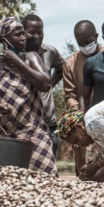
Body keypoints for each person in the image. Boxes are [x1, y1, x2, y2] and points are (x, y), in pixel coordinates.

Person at [0, 17, 58, 176]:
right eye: (17, 34)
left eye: (23, 33)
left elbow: (45, 84)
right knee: (12, 186)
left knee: (48, 181)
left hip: (35, 133)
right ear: (4, 38)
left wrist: (17, 62)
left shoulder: (31, 58)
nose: (23, 38)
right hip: (6, 136)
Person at [63, 20, 104, 174]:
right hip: (85, 124)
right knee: (85, 172)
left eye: (88, 42)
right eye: (81, 43)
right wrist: (80, 114)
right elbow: (70, 95)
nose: (86, 46)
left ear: (96, 37)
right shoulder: (71, 63)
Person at [22, 14, 65, 157]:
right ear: (22, 32)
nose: (37, 36)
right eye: (31, 32)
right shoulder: (15, 55)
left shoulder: (50, 52)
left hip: (48, 124)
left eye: (40, 32)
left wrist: (50, 84)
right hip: (24, 124)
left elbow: (62, 68)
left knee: (48, 173)